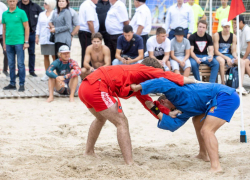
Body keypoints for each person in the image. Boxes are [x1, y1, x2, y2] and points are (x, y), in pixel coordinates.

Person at [78, 57, 199, 165]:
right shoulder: (143, 69)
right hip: (97, 87)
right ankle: (129, 163)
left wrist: (166, 113)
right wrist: (195, 81)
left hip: (85, 86)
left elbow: (149, 104)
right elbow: (166, 75)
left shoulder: (138, 83)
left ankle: (89, 152)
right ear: (151, 70)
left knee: (101, 118)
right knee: (121, 122)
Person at [130, 77, 240, 173]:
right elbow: (172, 125)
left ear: (163, 102)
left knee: (207, 130)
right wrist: (154, 109)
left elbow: (161, 82)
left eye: (167, 110)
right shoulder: (180, 109)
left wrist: (138, 87)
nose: (170, 112)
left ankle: (216, 167)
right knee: (197, 120)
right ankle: (203, 154)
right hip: (214, 100)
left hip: (226, 96)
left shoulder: (176, 94)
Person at [213, 19, 248, 94]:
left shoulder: (233, 36)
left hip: (229, 55)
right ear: (222, 27)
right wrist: (227, 58)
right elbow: (216, 51)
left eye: (228, 27)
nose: (227, 29)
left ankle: (240, 86)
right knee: (222, 61)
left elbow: (233, 51)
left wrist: (235, 57)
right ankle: (223, 82)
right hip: (219, 55)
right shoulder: (217, 35)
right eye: (225, 27)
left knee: (242, 62)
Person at [2, 0, 29, 92]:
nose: (12, 3)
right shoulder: (4, 14)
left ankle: (22, 84)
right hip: (9, 42)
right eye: (10, 1)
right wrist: (4, 43)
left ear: (16, 1)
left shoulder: (22, 13)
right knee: (11, 64)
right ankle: (12, 83)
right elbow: (4, 29)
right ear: (7, 2)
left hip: (19, 42)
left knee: (20, 64)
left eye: (13, 1)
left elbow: (27, 27)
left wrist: (26, 41)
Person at [17, 0, 43, 77]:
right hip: (20, 34)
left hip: (32, 33)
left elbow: (42, 17)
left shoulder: (36, 6)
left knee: (31, 53)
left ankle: (32, 71)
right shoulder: (17, 5)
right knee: (20, 53)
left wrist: (38, 32)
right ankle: (20, 72)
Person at [36, 0, 56, 81]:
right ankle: (47, 73)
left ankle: (54, 73)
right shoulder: (41, 14)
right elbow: (38, 26)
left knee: (54, 56)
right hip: (44, 38)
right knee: (45, 56)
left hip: (52, 38)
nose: (44, 5)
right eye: (44, 3)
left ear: (50, 4)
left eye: (45, 3)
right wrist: (37, 36)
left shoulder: (55, 13)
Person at [78, 0, 99, 67]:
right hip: (87, 33)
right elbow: (90, 22)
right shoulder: (88, 6)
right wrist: (94, 35)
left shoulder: (88, 4)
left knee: (87, 52)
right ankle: (86, 73)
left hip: (86, 32)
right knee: (87, 53)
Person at [0, 1, 8, 77]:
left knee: (6, 52)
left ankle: (5, 70)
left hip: (2, 34)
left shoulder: (2, 5)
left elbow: (7, 18)